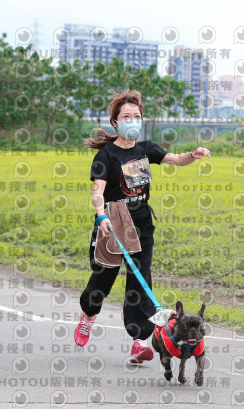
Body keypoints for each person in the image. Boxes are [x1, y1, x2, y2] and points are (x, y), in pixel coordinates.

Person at [74, 89, 212, 363]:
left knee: (139, 281)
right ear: (115, 122)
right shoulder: (106, 156)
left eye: (136, 116)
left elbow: (174, 158)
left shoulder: (145, 149)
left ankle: (139, 342)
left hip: (141, 224)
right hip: (111, 223)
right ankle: (89, 315)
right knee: (102, 280)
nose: (132, 120)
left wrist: (193, 154)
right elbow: (97, 192)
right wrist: (101, 216)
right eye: (126, 116)